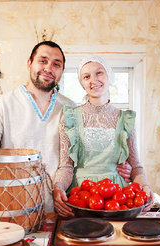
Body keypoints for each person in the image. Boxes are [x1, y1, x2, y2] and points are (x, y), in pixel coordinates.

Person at [0, 41, 131, 213]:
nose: (49, 68)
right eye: (43, 61)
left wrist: (121, 166)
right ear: (29, 63)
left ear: (62, 72)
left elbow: (88, 157)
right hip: (14, 206)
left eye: (56, 64)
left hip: (61, 208)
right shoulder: (4, 104)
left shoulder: (71, 110)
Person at [53, 55, 152, 217]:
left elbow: (135, 166)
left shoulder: (125, 119)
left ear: (109, 77)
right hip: (81, 195)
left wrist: (145, 187)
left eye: (99, 73)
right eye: (86, 76)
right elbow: (66, 166)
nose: (93, 80)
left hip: (117, 196)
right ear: (82, 83)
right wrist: (58, 188)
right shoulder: (70, 117)